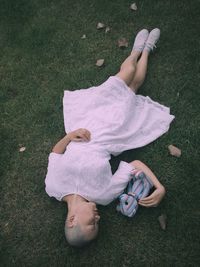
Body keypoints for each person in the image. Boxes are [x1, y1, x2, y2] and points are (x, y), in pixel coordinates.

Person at [45, 28, 175, 247]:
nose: (98, 219)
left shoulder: (53, 186)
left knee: (122, 79)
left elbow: (55, 153)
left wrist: (69, 136)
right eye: (98, 224)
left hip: (85, 125)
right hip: (111, 133)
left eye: (91, 224)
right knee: (133, 88)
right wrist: (159, 187)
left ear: (72, 220)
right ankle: (147, 52)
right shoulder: (104, 196)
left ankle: (134, 52)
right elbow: (135, 164)